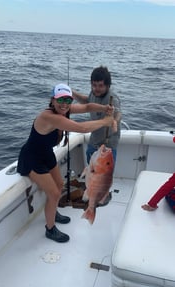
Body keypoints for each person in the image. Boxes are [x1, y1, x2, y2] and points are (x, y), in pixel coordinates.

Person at [17, 83, 114, 243]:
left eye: (68, 100)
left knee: (60, 183)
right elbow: (81, 128)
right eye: (60, 100)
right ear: (52, 100)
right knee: (54, 193)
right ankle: (50, 229)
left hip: (46, 154)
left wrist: (104, 108)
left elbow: (88, 106)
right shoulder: (48, 117)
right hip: (32, 158)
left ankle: (53, 211)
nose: (64, 104)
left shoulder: (65, 109)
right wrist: (105, 122)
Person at [72, 66, 122, 165]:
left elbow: (118, 113)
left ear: (108, 86)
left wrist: (115, 121)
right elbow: (87, 101)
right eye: (94, 85)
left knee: (103, 177)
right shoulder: (93, 93)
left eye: (100, 86)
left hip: (107, 147)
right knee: (91, 172)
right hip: (93, 142)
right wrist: (72, 93)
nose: (96, 89)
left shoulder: (112, 98)